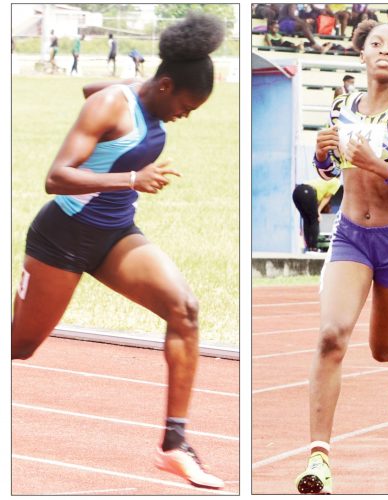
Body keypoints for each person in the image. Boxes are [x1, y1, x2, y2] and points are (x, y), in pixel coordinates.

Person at [12, 12, 228, 490]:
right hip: (62, 237)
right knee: (19, 346)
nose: (184, 117)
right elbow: (55, 177)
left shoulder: (141, 96)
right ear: (167, 85)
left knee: (185, 309)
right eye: (186, 107)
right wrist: (131, 178)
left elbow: (92, 85)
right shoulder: (115, 105)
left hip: (113, 235)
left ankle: (174, 445)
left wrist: (122, 87)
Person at [294, 20, 388, 494]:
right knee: (330, 336)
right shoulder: (342, 107)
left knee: (384, 347)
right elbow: (333, 170)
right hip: (351, 236)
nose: (384, 51)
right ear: (361, 54)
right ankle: (319, 458)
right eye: (375, 44)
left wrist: (382, 167)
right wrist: (323, 157)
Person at [292, 176, 341, 251]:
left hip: (297, 192)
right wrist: (318, 212)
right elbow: (327, 198)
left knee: (307, 220)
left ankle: (309, 247)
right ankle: (313, 247)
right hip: (308, 191)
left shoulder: (324, 178)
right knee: (315, 220)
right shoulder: (336, 181)